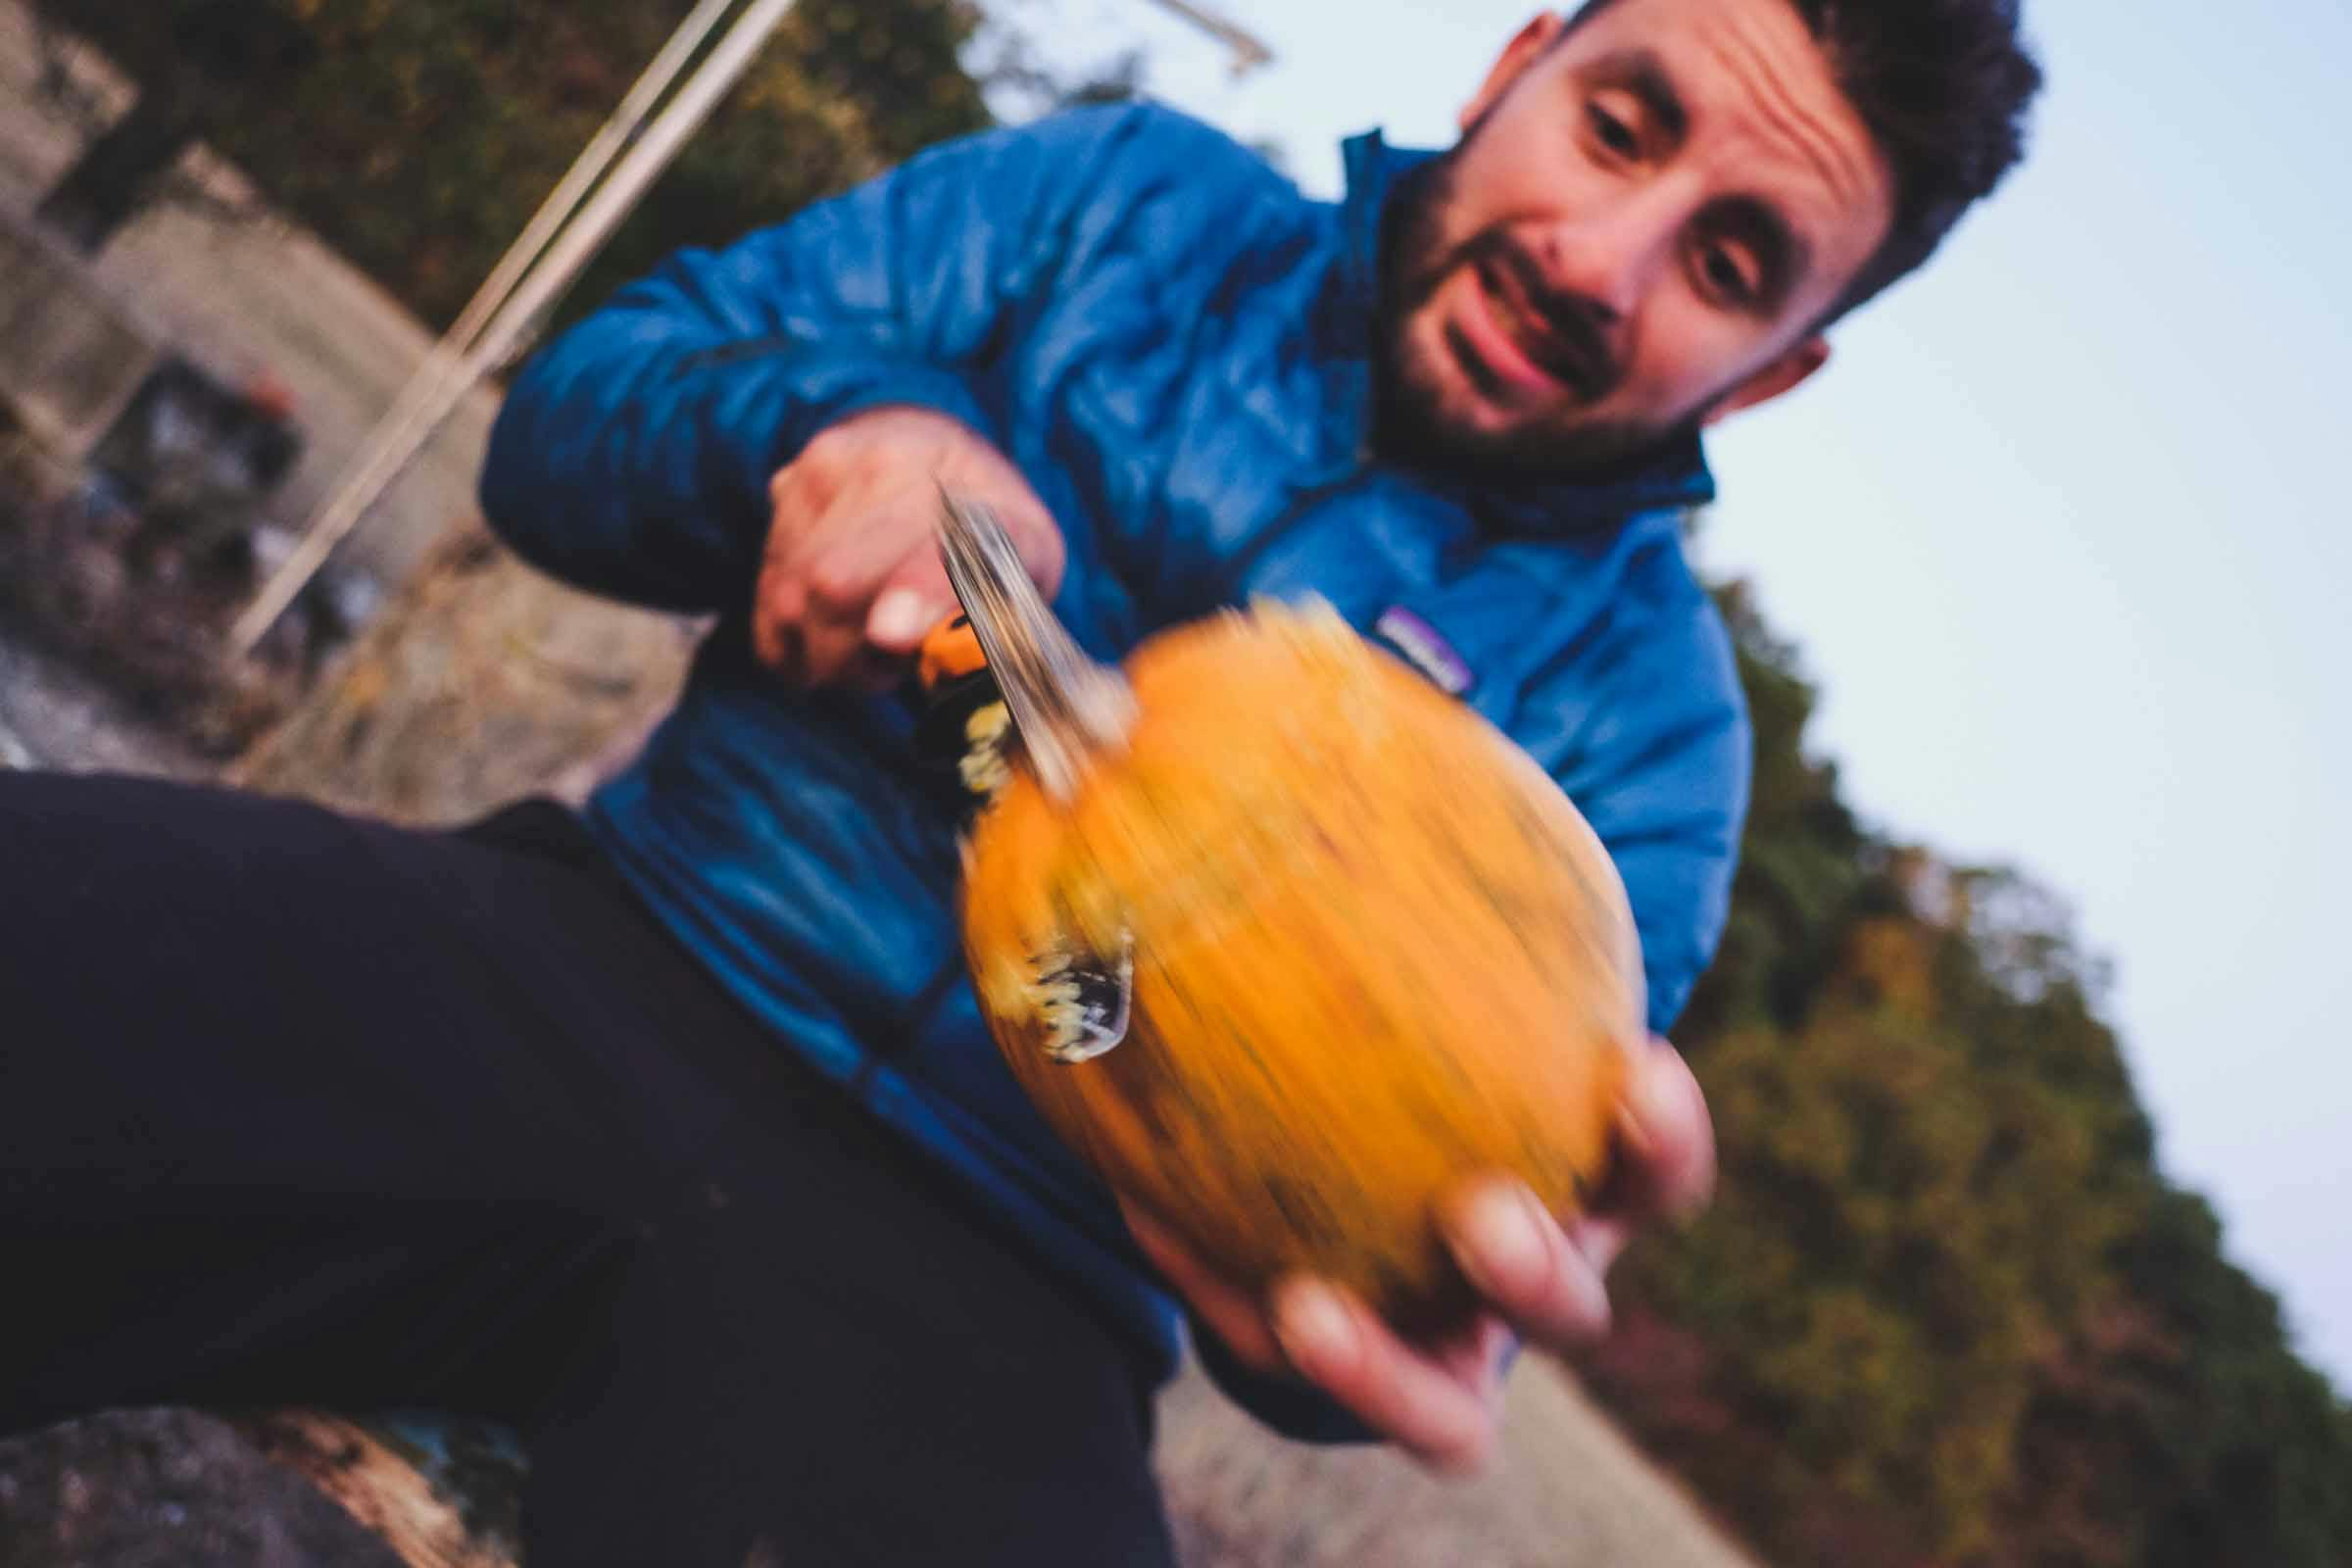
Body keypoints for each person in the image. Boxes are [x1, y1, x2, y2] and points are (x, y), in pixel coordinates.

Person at [0, 0, 2040, 1561]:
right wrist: (837, 422)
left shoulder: (1651, 724)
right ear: (1522, 60)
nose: (1604, 259)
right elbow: (572, 426)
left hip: (1008, 1280)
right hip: (606, 954)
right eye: (1622, 122)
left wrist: (1376, 1286)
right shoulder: (1127, 208)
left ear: (1782, 364)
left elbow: (1410, 1270)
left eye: (1732, 261)